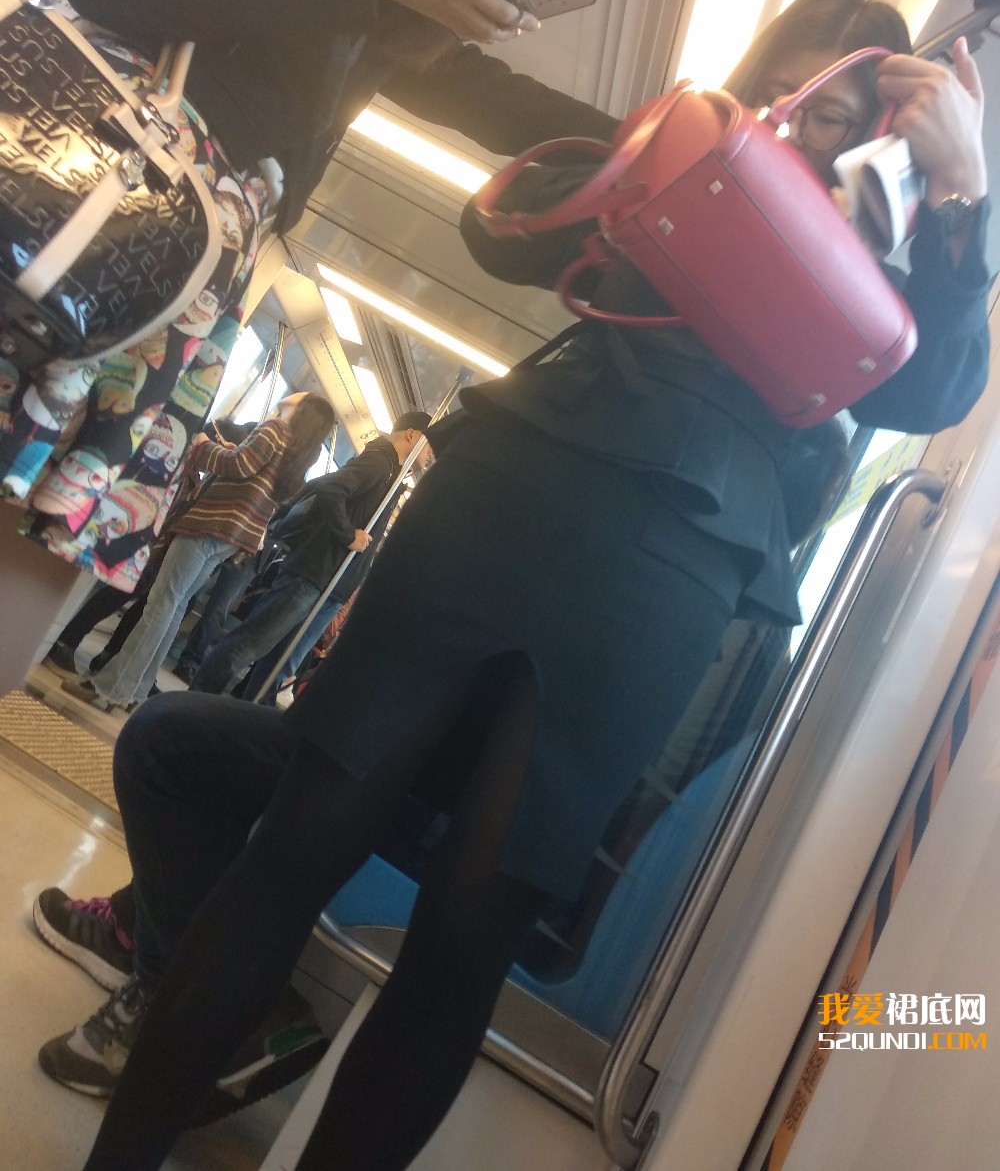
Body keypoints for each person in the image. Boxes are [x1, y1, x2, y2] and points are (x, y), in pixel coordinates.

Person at [75, 0, 990, 1171]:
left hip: (659, 562)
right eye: (781, 91)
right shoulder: (693, 149)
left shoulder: (888, 238)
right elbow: (502, 232)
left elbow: (932, 393)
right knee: (298, 845)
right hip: (528, 499)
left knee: (465, 934)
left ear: (878, 131)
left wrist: (962, 187)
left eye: (831, 112)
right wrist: (655, 160)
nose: (796, 125)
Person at [32, 416, 846, 1103]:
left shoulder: (656, 596)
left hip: (460, 830)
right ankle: (143, 928)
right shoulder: (745, 639)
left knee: (169, 747)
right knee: (238, 755)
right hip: (510, 846)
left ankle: (189, 992)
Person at [4, 0, 614, 588]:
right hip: (71, 183)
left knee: (40, 558)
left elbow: (478, 90)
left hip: (188, 270)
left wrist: (639, 139)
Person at [61, 392, 335, 711]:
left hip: (212, 522)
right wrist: (233, 452)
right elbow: (255, 474)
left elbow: (236, 466)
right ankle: (136, 690)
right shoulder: (299, 454)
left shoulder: (275, 430)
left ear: (303, 408)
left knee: (161, 603)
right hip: (235, 536)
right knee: (175, 607)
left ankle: (110, 687)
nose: (295, 393)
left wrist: (204, 445)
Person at [191, 412, 433, 700]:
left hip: (333, 584)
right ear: (411, 434)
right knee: (253, 641)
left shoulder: (393, 474)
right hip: (314, 573)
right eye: (430, 442)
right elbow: (333, 488)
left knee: (279, 663)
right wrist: (348, 534)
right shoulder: (380, 462)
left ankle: (243, 712)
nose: (432, 453)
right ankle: (196, 699)